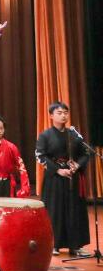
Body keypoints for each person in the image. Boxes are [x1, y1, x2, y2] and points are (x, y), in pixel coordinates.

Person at [35, 102, 91, 256]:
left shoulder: (74, 135)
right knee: (55, 210)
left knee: (74, 210)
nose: (63, 116)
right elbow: (40, 156)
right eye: (59, 113)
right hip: (55, 178)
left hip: (72, 177)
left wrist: (77, 165)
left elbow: (86, 153)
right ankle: (54, 244)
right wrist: (58, 170)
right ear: (51, 116)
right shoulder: (45, 135)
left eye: (66, 112)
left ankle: (75, 245)